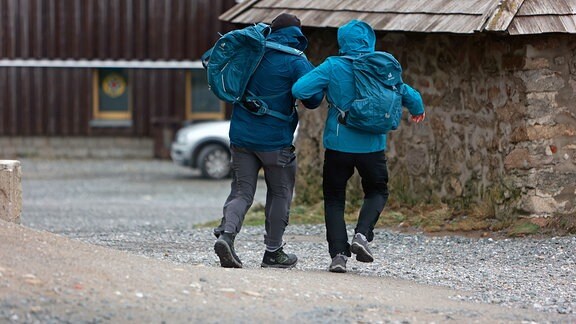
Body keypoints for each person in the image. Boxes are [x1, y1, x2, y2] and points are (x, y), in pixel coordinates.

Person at [291, 19, 425, 273]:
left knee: (334, 199)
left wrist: (322, 94)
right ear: (370, 41)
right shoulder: (381, 65)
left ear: (343, 42)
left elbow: (300, 88)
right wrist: (417, 109)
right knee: (377, 192)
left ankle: (338, 256)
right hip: (372, 147)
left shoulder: (333, 65)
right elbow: (409, 94)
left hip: (339, 146)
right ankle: (362, 235)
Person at [212, 13, 323, 269]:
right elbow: (313, 99)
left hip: (241, 136)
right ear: (297, 34)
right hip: (275, 141)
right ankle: (273, 252)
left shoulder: (250, 51)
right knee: (280, 193)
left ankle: (227, 236)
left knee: (242, 191)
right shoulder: (296, 61)